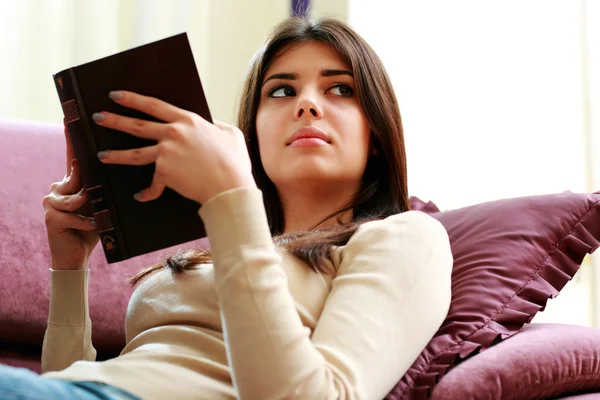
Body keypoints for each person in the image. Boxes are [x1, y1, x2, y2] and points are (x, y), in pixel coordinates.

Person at [0, 16, 452, 400]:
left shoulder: (407, 236)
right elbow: (69, 381)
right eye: (280, 92)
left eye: (340, 89)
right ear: (253, 135)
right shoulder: (224, 247)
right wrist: (70, 268)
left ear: (375, 133)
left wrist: (231, 200)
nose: (308, 104)